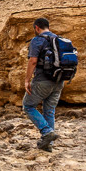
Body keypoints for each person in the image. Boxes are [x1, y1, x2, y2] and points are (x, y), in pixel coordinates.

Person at [23, 17, 63, 152]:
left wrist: (27, 80)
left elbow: (33, 61)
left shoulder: (38, 40)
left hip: (42, 80)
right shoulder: (59, 39)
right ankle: (48, 144)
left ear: (36, 28)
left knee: (28, 106)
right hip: (59, 81)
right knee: (49, 110)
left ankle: (46, 132)